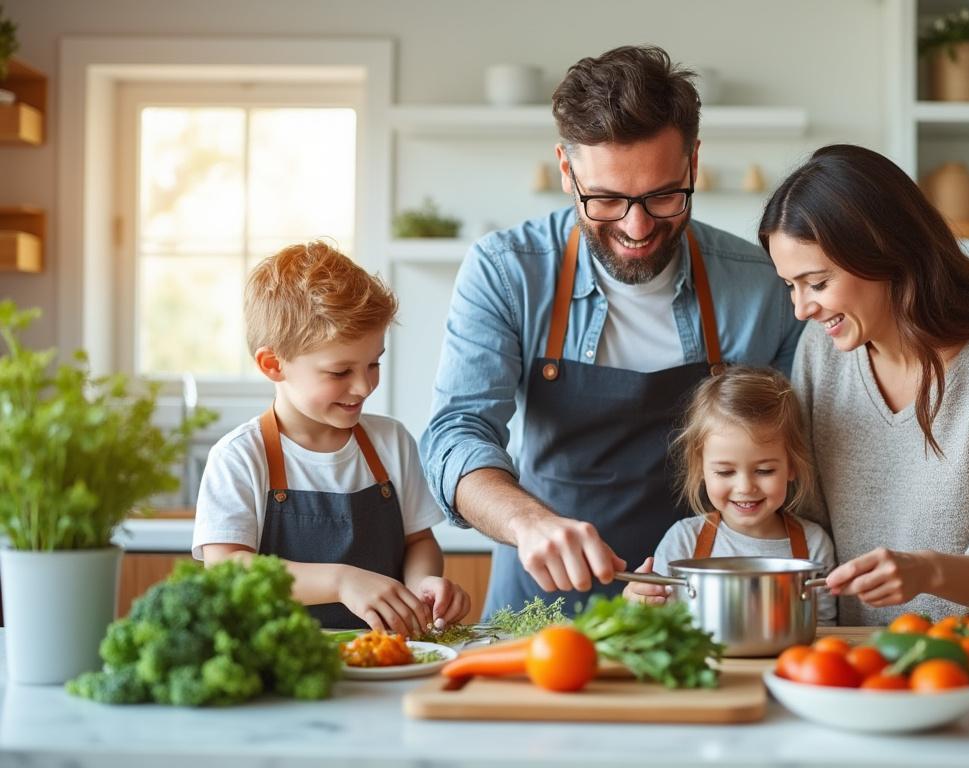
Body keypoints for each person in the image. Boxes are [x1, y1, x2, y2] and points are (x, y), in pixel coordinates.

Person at [420, 46, 803, 615]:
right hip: (541, 606)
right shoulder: (507, 269)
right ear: (566, 170)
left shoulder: (763, 284)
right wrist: (528, 523)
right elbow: (455, 434)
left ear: (693, 162)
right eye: (605, 199)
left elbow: (807, 445)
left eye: (663, 196)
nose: (637, 226)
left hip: (703, 607)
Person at [759, 144, 969, 629]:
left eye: (817, 282)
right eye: (790, 285)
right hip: (851, 666)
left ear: (882, 253)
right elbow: (798, 523)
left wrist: (927, 571)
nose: (801, 308)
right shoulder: (821, 351)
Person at [193, 241, 471, 634]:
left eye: (374, 363)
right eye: (340, 372)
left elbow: (418, 542)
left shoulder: (391, 443)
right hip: (281, 670)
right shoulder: (240, 457)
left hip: (385, 656)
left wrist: (421, 585)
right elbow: (228, 569)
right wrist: (340, 581)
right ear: (273, 364)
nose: (363, 386)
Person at [622, 366, 838, 625]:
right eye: (725, 472)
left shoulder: (814, 544)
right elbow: (653, 623)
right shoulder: (683, 541)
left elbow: (824, 628)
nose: (745, 487)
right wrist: (636, 602)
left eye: (764, 470)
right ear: (701, 469)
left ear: (791, 466)